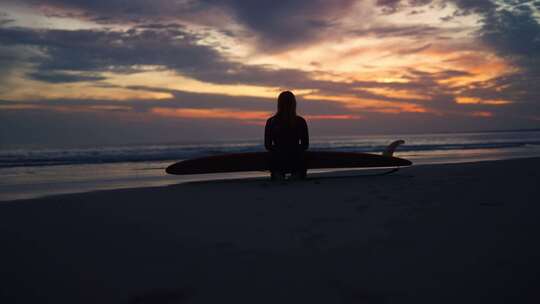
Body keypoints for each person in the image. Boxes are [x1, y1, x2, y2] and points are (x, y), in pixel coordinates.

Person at [264, 91, 309, 180]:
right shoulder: (300, 121)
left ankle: (278, 175)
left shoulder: (271, 122)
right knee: (302, 154)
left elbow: (268, 145)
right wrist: (294, 149)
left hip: (278, 162)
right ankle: (296, 174)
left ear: (279, 104)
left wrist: (279, 149)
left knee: (272, 154)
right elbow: (305, 145)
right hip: (296, 161)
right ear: (294, 104)